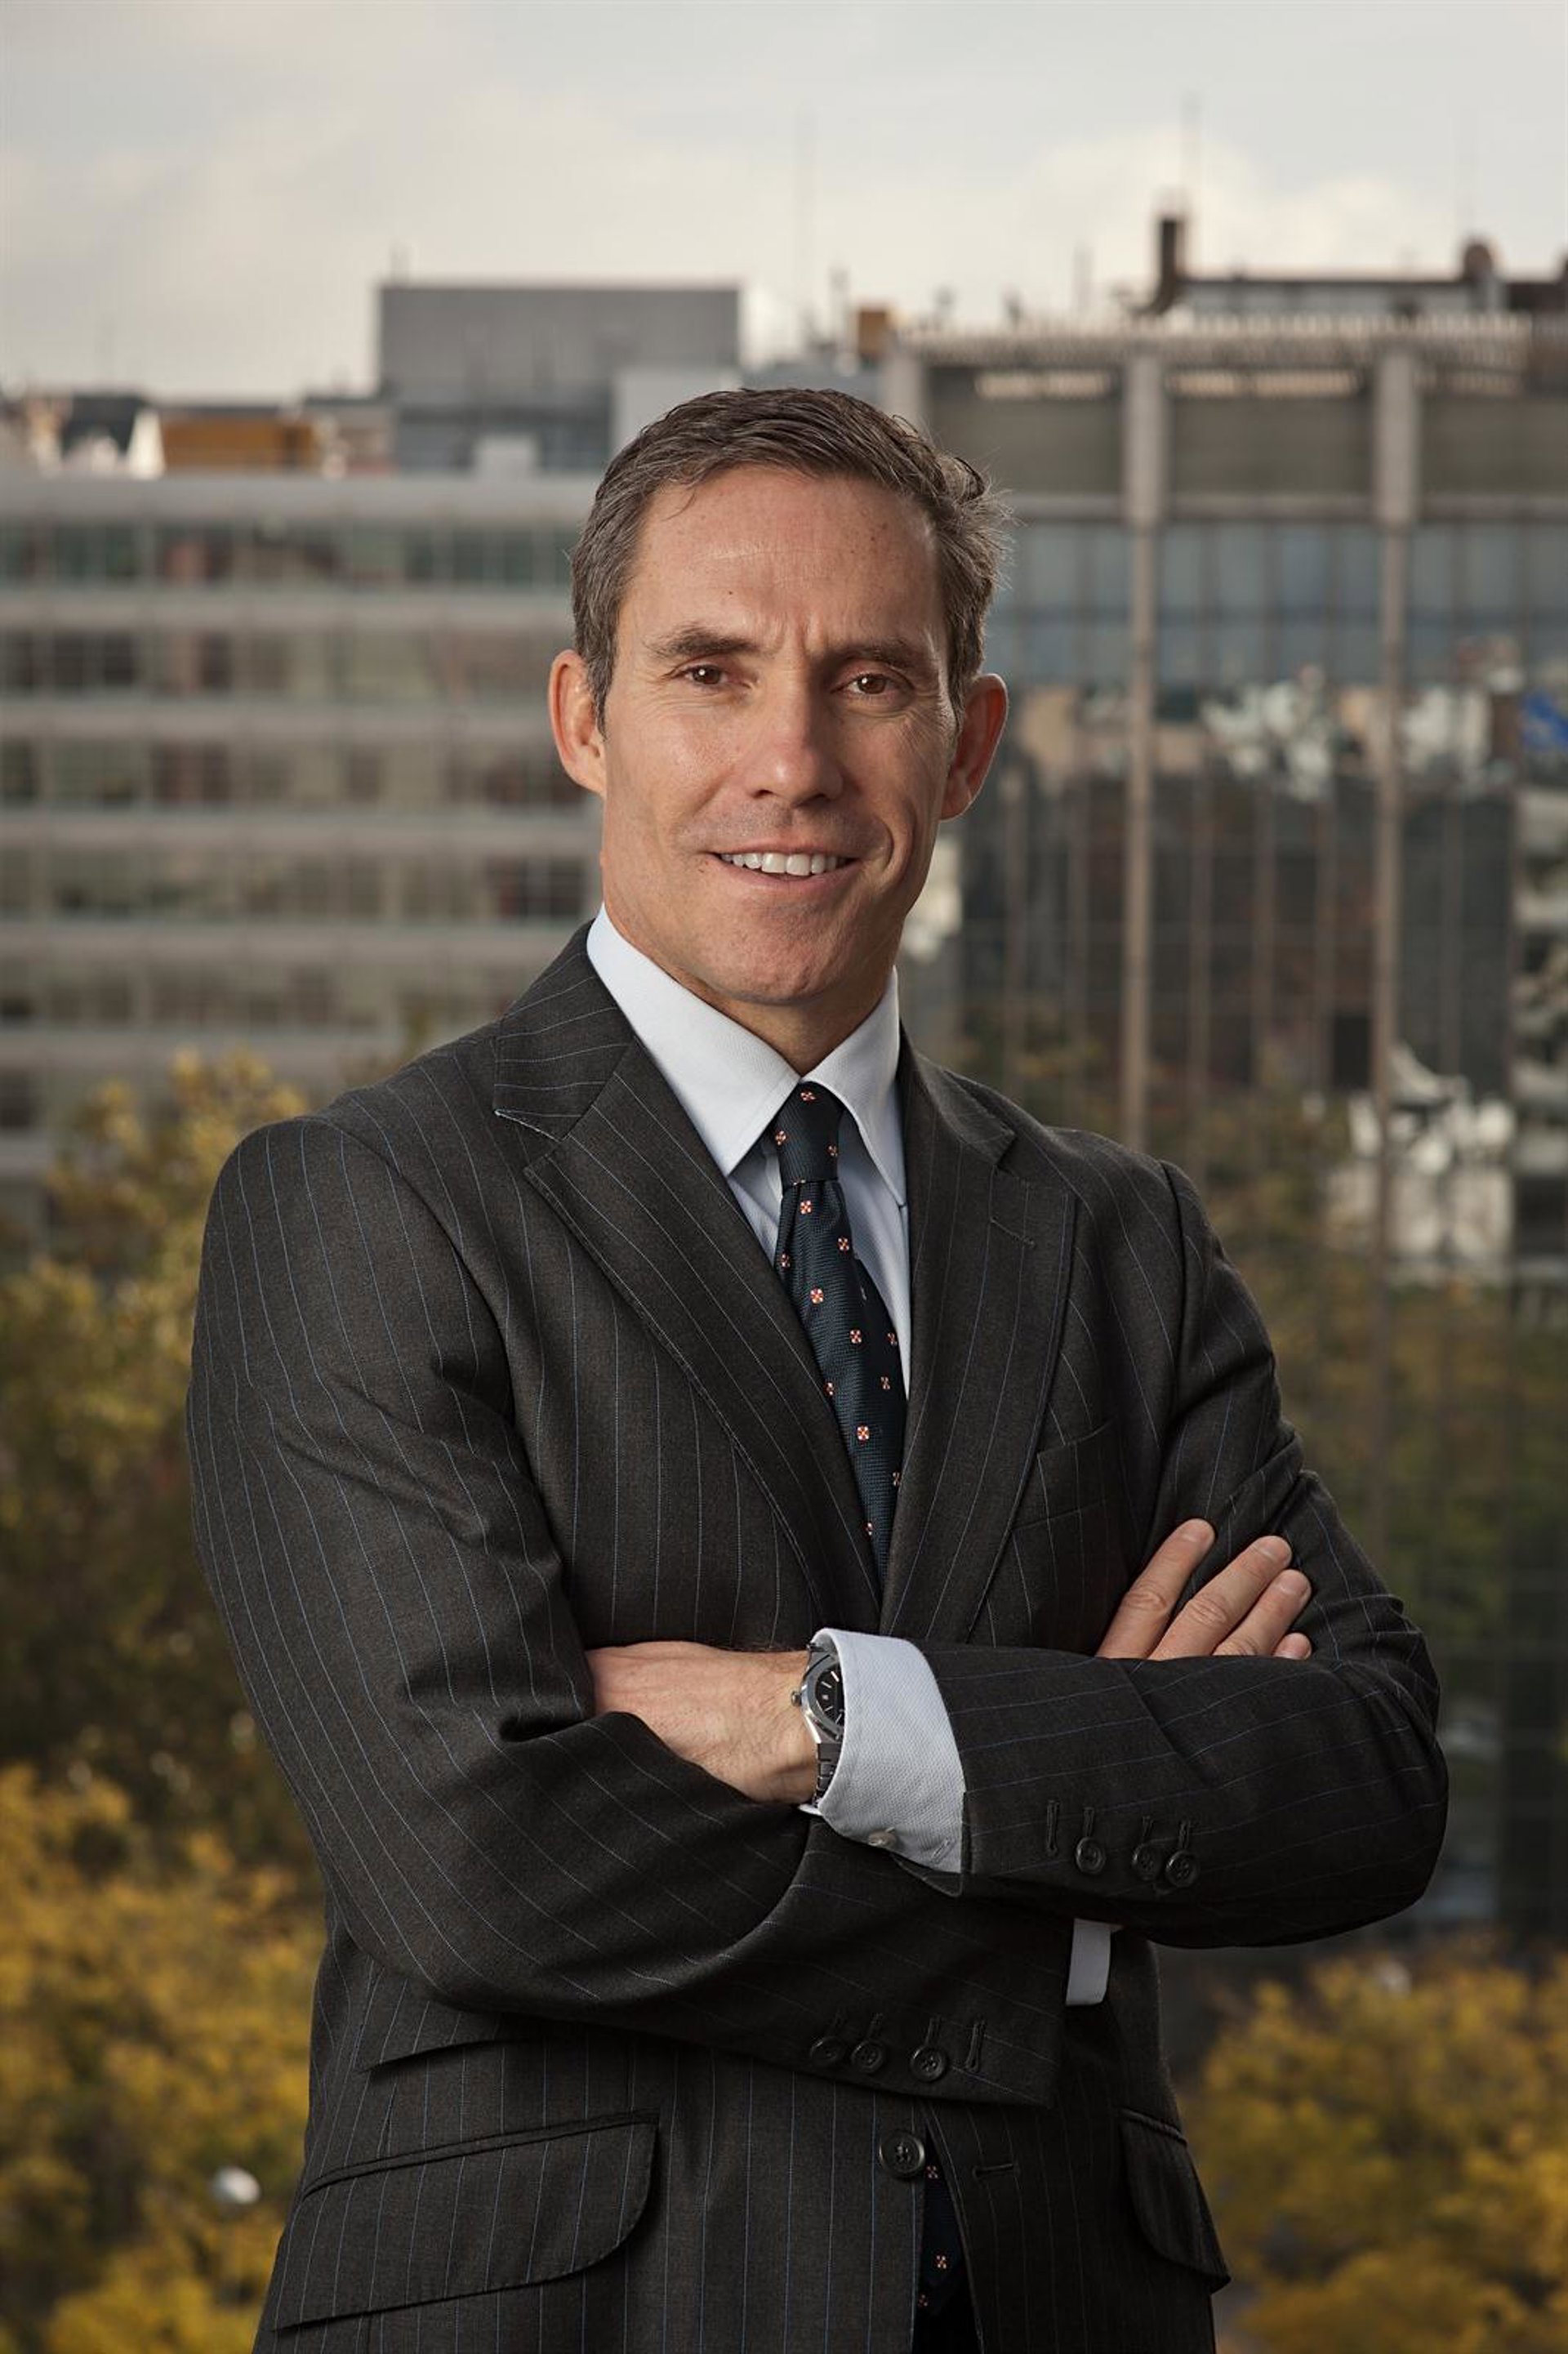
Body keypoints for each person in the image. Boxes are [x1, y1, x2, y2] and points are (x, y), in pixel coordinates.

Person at [187, 387, 1446, 2354]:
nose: (792, 758)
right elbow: (478, 1859)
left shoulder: (1120, 1242)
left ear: (969, 744)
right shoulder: (363, 1204)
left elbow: (1364, 1774)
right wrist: (1067, 1892)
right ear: (584, 718)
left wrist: (830, 1721)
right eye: (712, 671)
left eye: (871, 680)